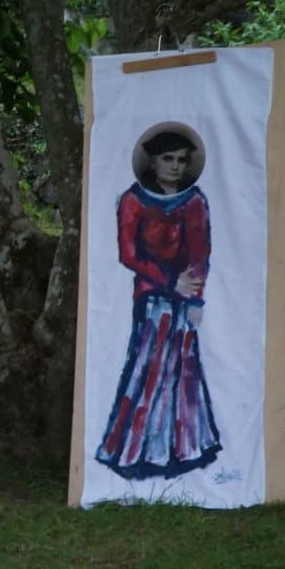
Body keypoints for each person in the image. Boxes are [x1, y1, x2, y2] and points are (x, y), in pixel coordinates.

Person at [95, 128, 222, 480]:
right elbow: (128, 254)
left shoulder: (195, 202)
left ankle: (183, 449)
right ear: (152, 161)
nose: (175, 166)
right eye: (168, 158)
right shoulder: (133, 201)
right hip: (152, 298)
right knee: (148, 370)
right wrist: (169, 282)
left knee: (183, 371)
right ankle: (137, 450)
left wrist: (196, 294)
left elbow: (200, 252)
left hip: (184, 300)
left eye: (182, 160)